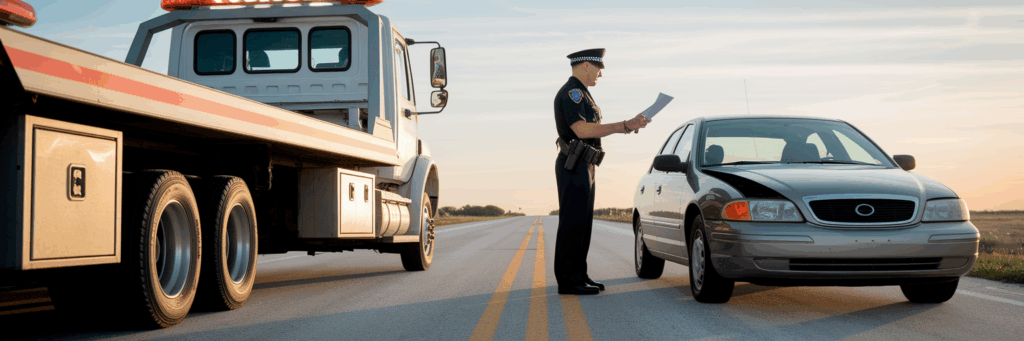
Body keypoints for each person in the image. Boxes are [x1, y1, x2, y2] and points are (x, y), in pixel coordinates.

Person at [553, 48, 649, 295]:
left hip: (586, 165)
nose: (600, 75)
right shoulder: (572, 93)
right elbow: (582, 130)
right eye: (598, 69)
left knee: (583, 224)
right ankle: (568, 280)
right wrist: (625, 125)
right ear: (586, 65)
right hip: (573, 164)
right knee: (572, 223)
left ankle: (579, 275)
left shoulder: (584, 95)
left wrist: (627, 126)